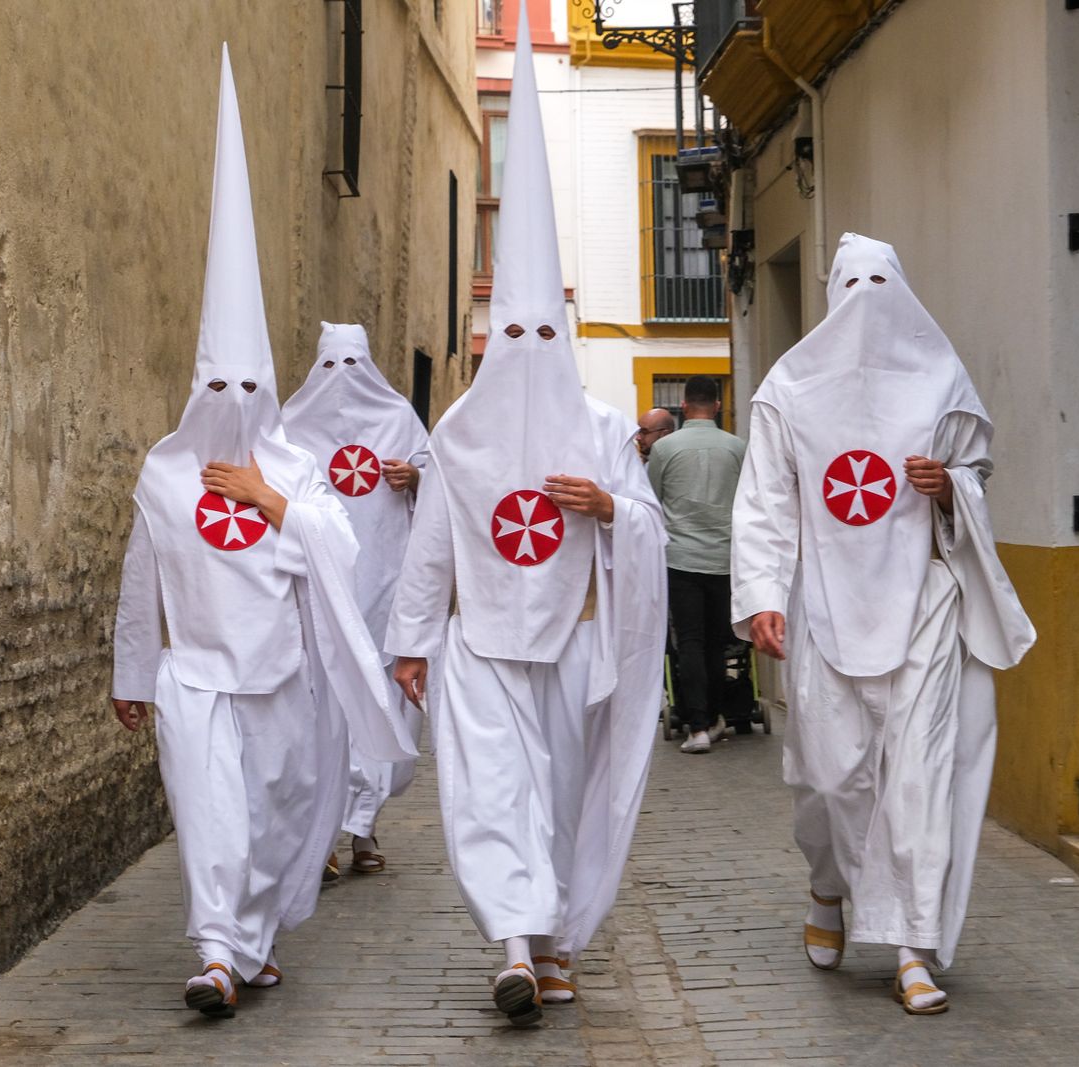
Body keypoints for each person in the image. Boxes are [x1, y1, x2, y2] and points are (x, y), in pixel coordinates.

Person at [109, 47, 415, 1020]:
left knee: (275, 817)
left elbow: (340, 539)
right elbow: (138, 575)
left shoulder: (292, 468)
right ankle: (214, 954)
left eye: (250, 388)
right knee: (212, 818)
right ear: (200, 387)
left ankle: (250, 938)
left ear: (269, 392)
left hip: (279, 675)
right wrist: (130, 674)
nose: (235, 403)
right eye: (219, 389)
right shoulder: (163, 470)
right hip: (194, 674)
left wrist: (269, 498)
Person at [386, 4, 666, 1028]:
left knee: (551, 799)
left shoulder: (598, 426)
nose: (535, 341)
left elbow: (646, 528)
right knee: (491, 796)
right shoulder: (458, 432)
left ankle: (550, 943)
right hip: (481, 646)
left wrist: (608, 507)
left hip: (572, 646)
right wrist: (412, 641)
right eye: (518, 328)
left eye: (551, 328)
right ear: (497, 331)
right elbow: (430, 542)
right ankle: (513, 945)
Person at [731, 233, 1035, 1016]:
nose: (866, 297)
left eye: (880, 281)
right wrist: (762, 593)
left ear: (901, 287)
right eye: (852, 283)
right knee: (829, 777)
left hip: (923, 604)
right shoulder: (789, 388)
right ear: (833, 292)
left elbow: (977, 470)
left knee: (919, 779)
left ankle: (912, 946)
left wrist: (948, 489)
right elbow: (765, 499)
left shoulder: (942, 378)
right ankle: (829, 886)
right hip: (825, 603)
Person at [281, 322, 429, 879]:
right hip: (321, 587)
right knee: (325, 711)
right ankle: (323, 837)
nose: (341, 381)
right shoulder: (288, 428)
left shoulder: (398, 419)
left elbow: (440, 487)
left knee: (381, 704)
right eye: (329, 367)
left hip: (386, 582)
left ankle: (364, 824)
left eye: (352, 366)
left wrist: (413, 476)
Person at [646, 377, 746, 754]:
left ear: (684, 407)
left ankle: (698, 725)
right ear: (717, 406)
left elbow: (650, 501)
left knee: (688, 640)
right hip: (724, 559)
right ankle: (719, 716)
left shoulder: (665, 449)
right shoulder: (738, 448)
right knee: (718, 642)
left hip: (681, 558)